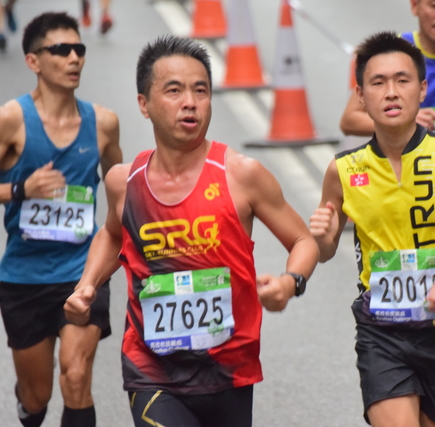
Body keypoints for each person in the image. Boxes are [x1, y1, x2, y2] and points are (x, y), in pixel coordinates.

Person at [64, 35, 319, 427]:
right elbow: (114, 234)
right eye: (174, 91)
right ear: (144, 104)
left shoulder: (241, 175)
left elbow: (302, 240)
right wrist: (87, 285)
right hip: (152, 368)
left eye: (201, 90)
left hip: (229, 369)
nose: (190, 102)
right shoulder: (124, 183)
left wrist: (290, 282)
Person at [311, 32, 435, 427]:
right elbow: (328, 249)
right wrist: (323, 237)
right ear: (361, 96)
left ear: (422, 90)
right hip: (382, 333)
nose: (391, 92)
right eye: (378, 83)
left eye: (402, 81)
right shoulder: (343, 170)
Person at [0, 11, 121, 427]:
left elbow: (122, 193)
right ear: (33, 61)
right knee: (37, 397)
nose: (74, 58)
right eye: (61, 50)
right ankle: (28, 405)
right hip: (24, 276)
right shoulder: (11, 120)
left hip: (82, 271)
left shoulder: (103, 124)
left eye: (79, 49)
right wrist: (21, 189)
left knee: (75, 375)